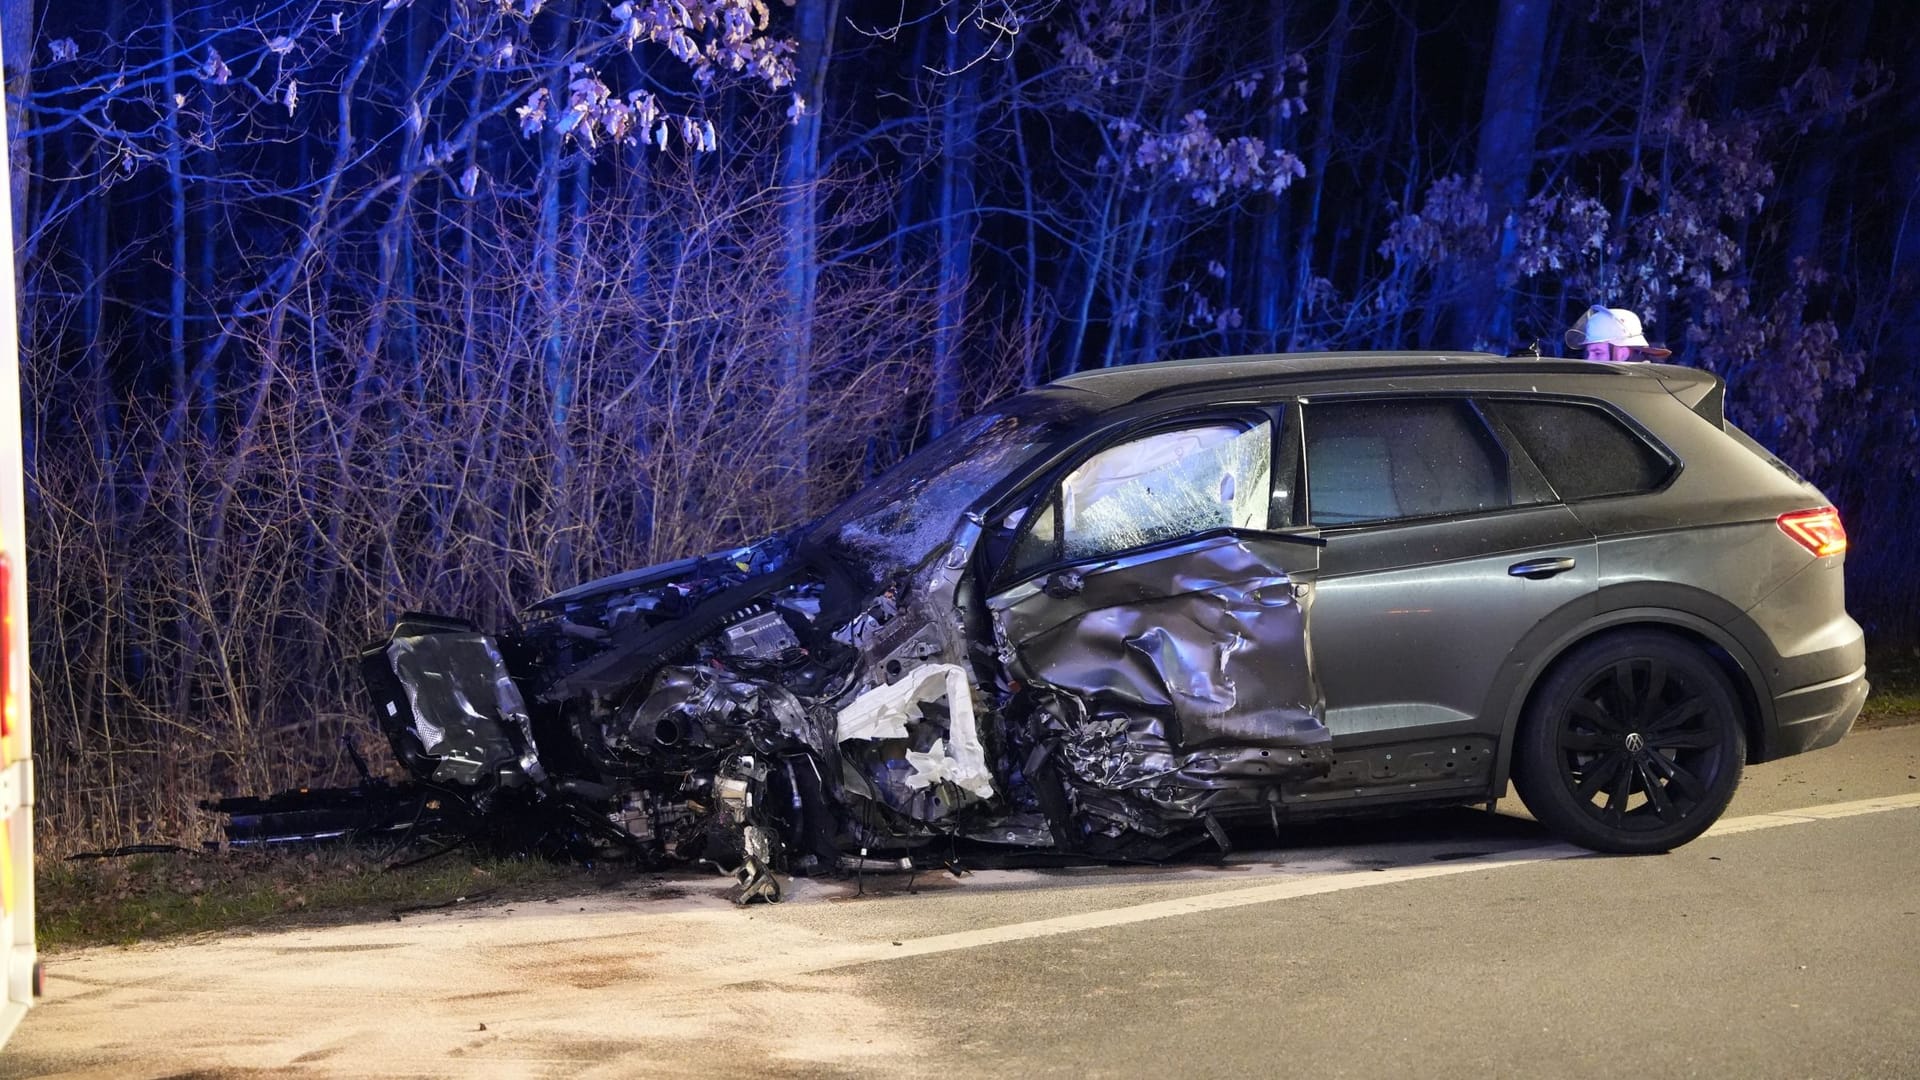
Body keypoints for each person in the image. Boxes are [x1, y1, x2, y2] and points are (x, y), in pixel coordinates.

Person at [1564, 305, 1673, 362]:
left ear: (1622, 353)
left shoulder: (1642, 387)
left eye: (1598, 353)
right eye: (1588, 354)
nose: (1588, 360)